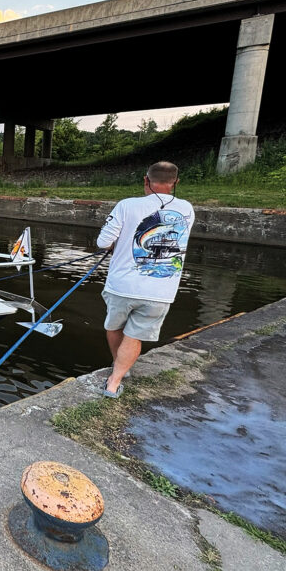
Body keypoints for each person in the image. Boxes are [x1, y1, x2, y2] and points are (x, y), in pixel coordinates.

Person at [95, 161, 194, 398]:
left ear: (145, 180)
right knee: (135, 335)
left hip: (121, 285)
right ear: (175, 183)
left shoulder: (126, 205)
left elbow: (102, 243)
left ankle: (118, 368)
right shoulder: (187, 209)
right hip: (160, 289)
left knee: (114, 327)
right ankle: (115, 380)